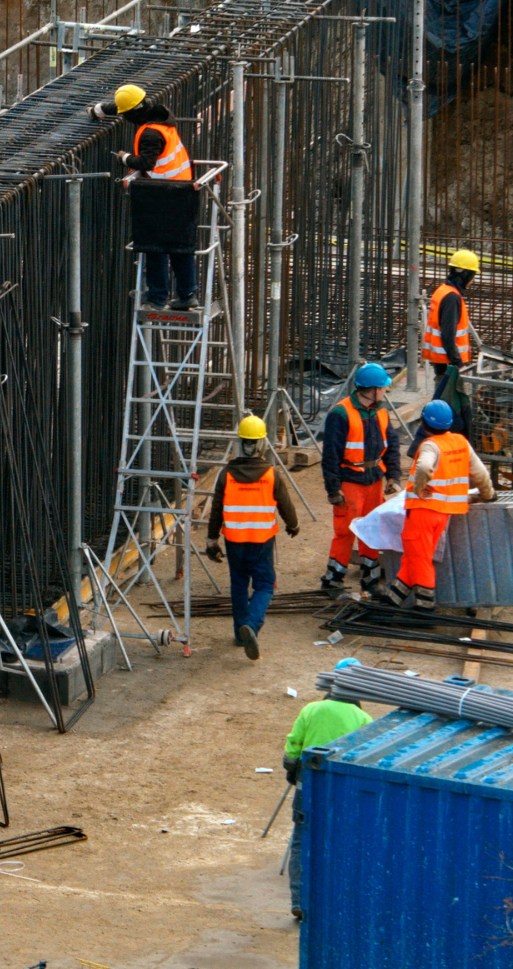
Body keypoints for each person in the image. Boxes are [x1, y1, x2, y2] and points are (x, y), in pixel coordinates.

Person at [282, 662, 374, 923]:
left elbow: (293, 745)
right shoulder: (364, 719)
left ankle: (299, 900)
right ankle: (333, 901)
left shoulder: (312, 709)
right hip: (344, 793)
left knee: (302, 842)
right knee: (342, 843)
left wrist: (291, 768)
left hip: (307, 786)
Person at [203, 414, 300, 660]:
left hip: (234, 541)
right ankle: (252, 626)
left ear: (240, 443)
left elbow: (216, 511)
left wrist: (211, 540)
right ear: (261, 444)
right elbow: (285, 505)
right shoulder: (270, 474)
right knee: (265, 585)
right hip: (262, 541)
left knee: (238, 585)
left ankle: (240, 633)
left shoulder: (226, 475)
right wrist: (293, 525)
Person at [97, 83, 200, 310]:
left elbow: (146, 162)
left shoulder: (150, 134)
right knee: (179, 246)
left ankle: (157, 297)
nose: (125, 119)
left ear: (135, 112)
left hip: (163, 193)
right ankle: (187, 294)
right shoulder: (162, 117)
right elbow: (127, 104)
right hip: (183, 189)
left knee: (155, 246)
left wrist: (125, 158)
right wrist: (100, 110)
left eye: (126, 115)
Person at [395, 397, 494, 612]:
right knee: (416, 555)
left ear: (424, 424)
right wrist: (488, 494)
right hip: (443, 514)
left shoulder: (431, 445)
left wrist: (419, 487)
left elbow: (423, 468)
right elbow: (481, 473)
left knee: (420, 559)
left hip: (423, 511)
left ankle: (424, 607)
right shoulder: (460, 442)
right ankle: (394, 597)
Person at [317, 363, 406, 597]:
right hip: (350, 481)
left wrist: (392, 477)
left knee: (372, 530)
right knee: (345, 532)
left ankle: (370, 580)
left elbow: (392, 446)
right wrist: (333, 489)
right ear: (373, 389)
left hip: (373, 481)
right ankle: (333, 580)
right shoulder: (341, 413)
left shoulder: (380, 412)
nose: (385, 391)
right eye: (383, 387)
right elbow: (331, 455)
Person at [423, 248, 479, 440]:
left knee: (442, 407)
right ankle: (446, 445)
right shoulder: (452, 297)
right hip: (449, 366)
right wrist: (458, 363)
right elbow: (448, 335)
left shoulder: (443, 291)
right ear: (465, 275)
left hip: (442, 363)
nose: (472, 280)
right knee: (448, 411)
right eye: (472, 275)